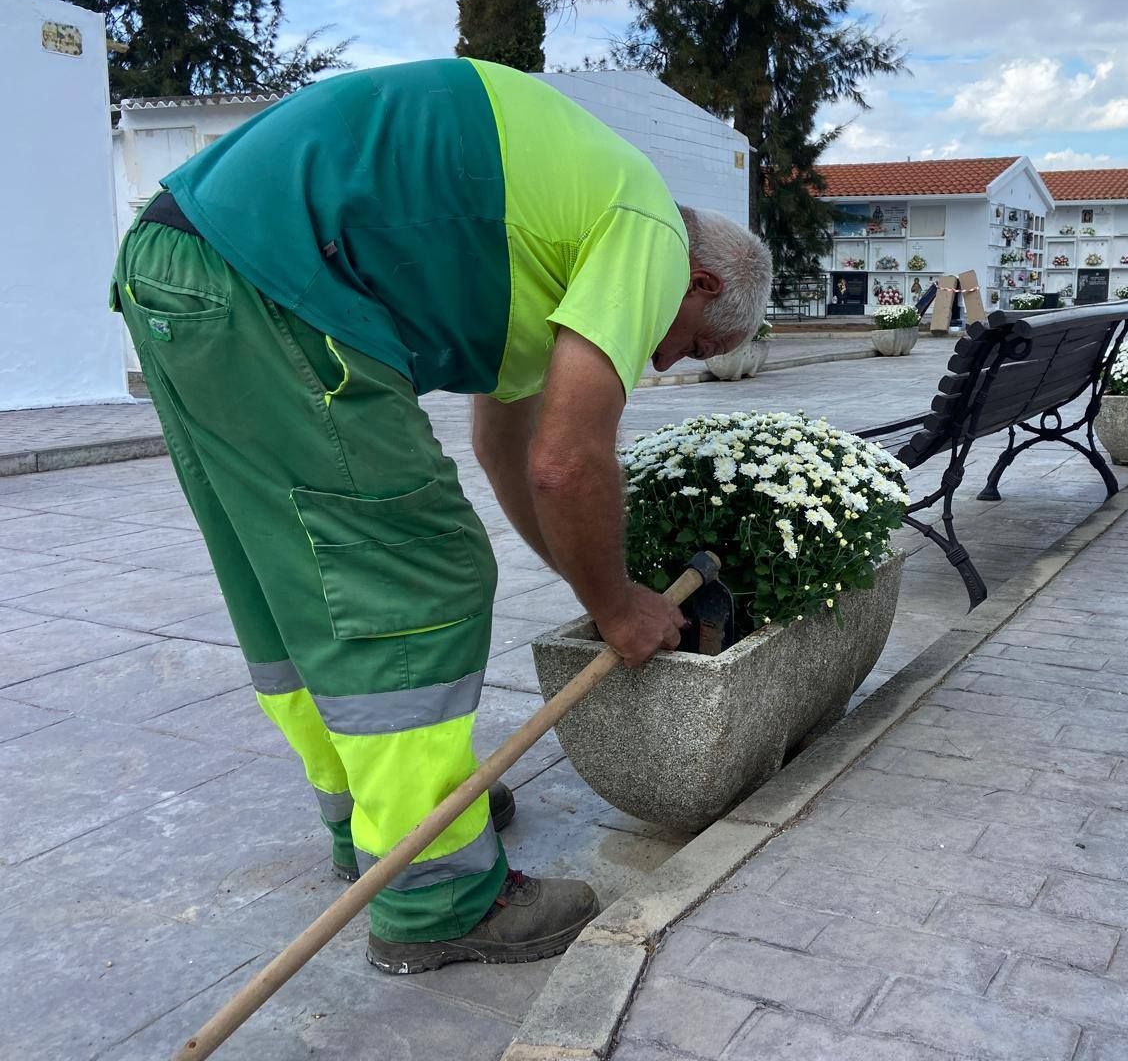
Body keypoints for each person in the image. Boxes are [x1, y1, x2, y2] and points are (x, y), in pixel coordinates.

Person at [111, 58, 771, 974]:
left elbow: (511, 453)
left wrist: (598, 589)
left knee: (297, 575)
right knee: (419, 574)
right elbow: (569, 462)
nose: (665, 365)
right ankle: (440, 898)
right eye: (693, 344)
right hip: (269, 274)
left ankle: (393, 824)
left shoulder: (567, 236)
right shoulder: (648, 231)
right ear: (696, 281)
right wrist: (619, 606)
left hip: (179, 261)